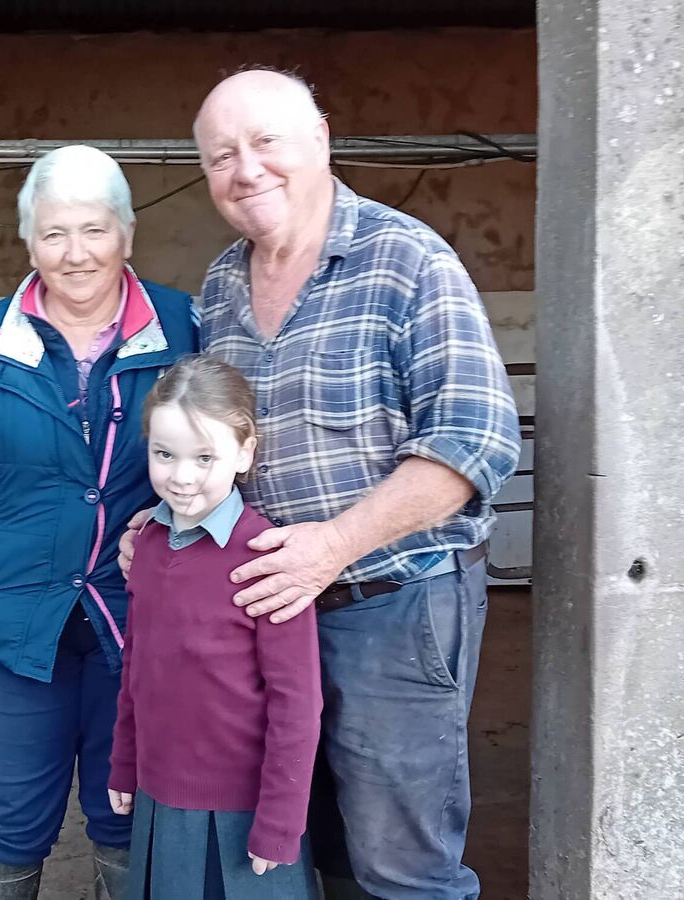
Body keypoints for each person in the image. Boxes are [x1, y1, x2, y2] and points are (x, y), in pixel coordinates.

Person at [120, 69, 521, 899]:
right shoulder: (224, 283)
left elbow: (475, 438)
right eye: (221, 155)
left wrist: (334, 546)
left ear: (322, 140)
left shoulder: (406, 259)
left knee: (400, 863)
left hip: (389, 605)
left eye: (266, 142)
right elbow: (215, 442)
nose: (246, 170)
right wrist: (163, 520)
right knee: (297, 842)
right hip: (263, 609)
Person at [0, 144, 199, 900]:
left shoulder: (184, 326)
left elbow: (228, 446)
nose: (75, 254)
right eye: (54, 234)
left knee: (129, 803)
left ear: (128, 234)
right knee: (12, 811)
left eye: (94, 230)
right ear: (27, 241)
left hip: (141, 611)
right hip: (16, 608)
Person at [108, 355, 323, 900]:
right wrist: (124, 763)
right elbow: (137, 667)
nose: (181, 477)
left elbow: (296, 702)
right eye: (165, 454)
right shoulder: (148, 546)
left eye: (205, 457)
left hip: (241, 813)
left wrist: (280, 823)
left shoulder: (267, 559)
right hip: (160, 797)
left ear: (245, 452)